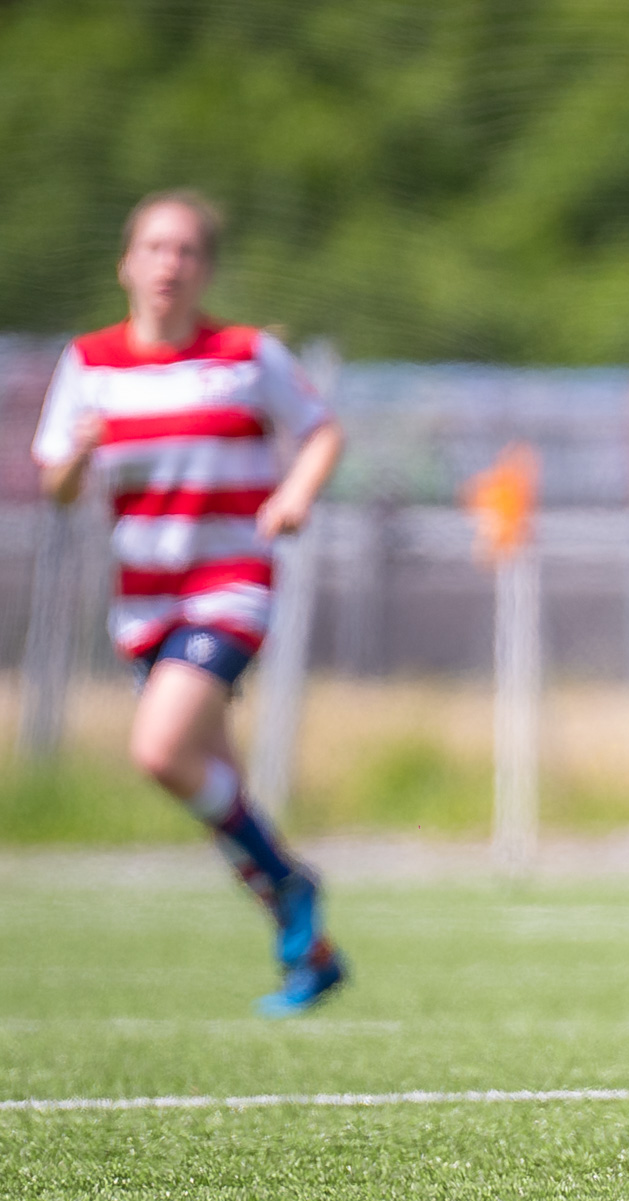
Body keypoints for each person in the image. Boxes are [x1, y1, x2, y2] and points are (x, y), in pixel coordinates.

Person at [30, 190, 349, 1017]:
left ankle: (291, 882)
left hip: (229, 585)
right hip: (143, 602)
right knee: (220, 787)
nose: (169, 264)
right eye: (154, 248)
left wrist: (294, 495)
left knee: (160, 751)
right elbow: (58, 486)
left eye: (186, 251)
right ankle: (309, 950)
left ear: (205, 269)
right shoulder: (91, 363)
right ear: (126, 263)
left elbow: (320, 429)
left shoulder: (243, 354)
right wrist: (79, 458)